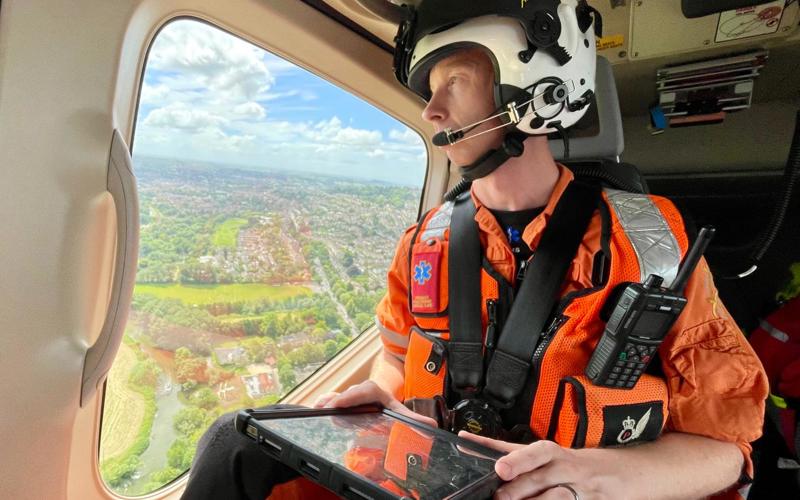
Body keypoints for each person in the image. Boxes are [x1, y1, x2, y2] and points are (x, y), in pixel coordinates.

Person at [182, 1, 769, 499]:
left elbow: (726, 449)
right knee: (231, 443)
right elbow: (394, 353)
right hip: (437, 477)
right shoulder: (422, 245)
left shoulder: (652, 249)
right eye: (431, 92)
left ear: (535, 85)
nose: (431, 112)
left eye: (455, 83)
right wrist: (387, 400)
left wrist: (586, 479)